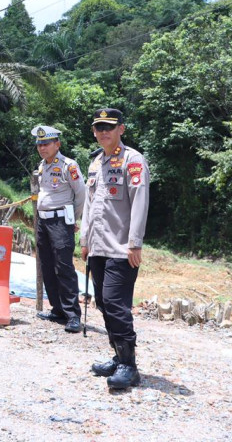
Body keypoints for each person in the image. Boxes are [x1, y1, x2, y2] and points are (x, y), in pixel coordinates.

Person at [80, 108, 150, 389]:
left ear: (121, 129)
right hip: (97, 247)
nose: (103, 132)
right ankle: (118, 354)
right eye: (98, 127)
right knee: (102, 302)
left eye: (109, 126)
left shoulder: (133, 160)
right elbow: (89, 204)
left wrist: (135, 243)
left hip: (121, 248)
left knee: (116, 305)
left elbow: (140, 201)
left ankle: (129, 366)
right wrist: (84, 241)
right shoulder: (96, 163)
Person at [32, 125, 87, 334]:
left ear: (57, 144)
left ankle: (73, 315)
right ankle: (57, 309)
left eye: (46, 144)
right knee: (47, 266)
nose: (42, 148)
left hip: (60, 221)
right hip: (43, 222)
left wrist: (74, 217)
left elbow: (80, 194)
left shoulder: (68, 165)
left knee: (64, 267)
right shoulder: (42, 165)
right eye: (39, 144)